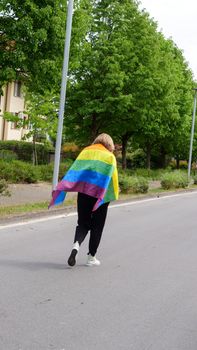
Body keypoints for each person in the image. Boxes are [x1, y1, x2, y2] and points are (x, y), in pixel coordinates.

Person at [49, 133, 119, 267]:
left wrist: (67, 184)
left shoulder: (86, 152)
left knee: (83, 223)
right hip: (100, 195)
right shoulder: (110, 157)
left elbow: (75, 170)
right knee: (97, 226)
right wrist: (111, 195)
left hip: (84, 193)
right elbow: (112, 179)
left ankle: (76, 245)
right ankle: (91, 257)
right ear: (110, 144)